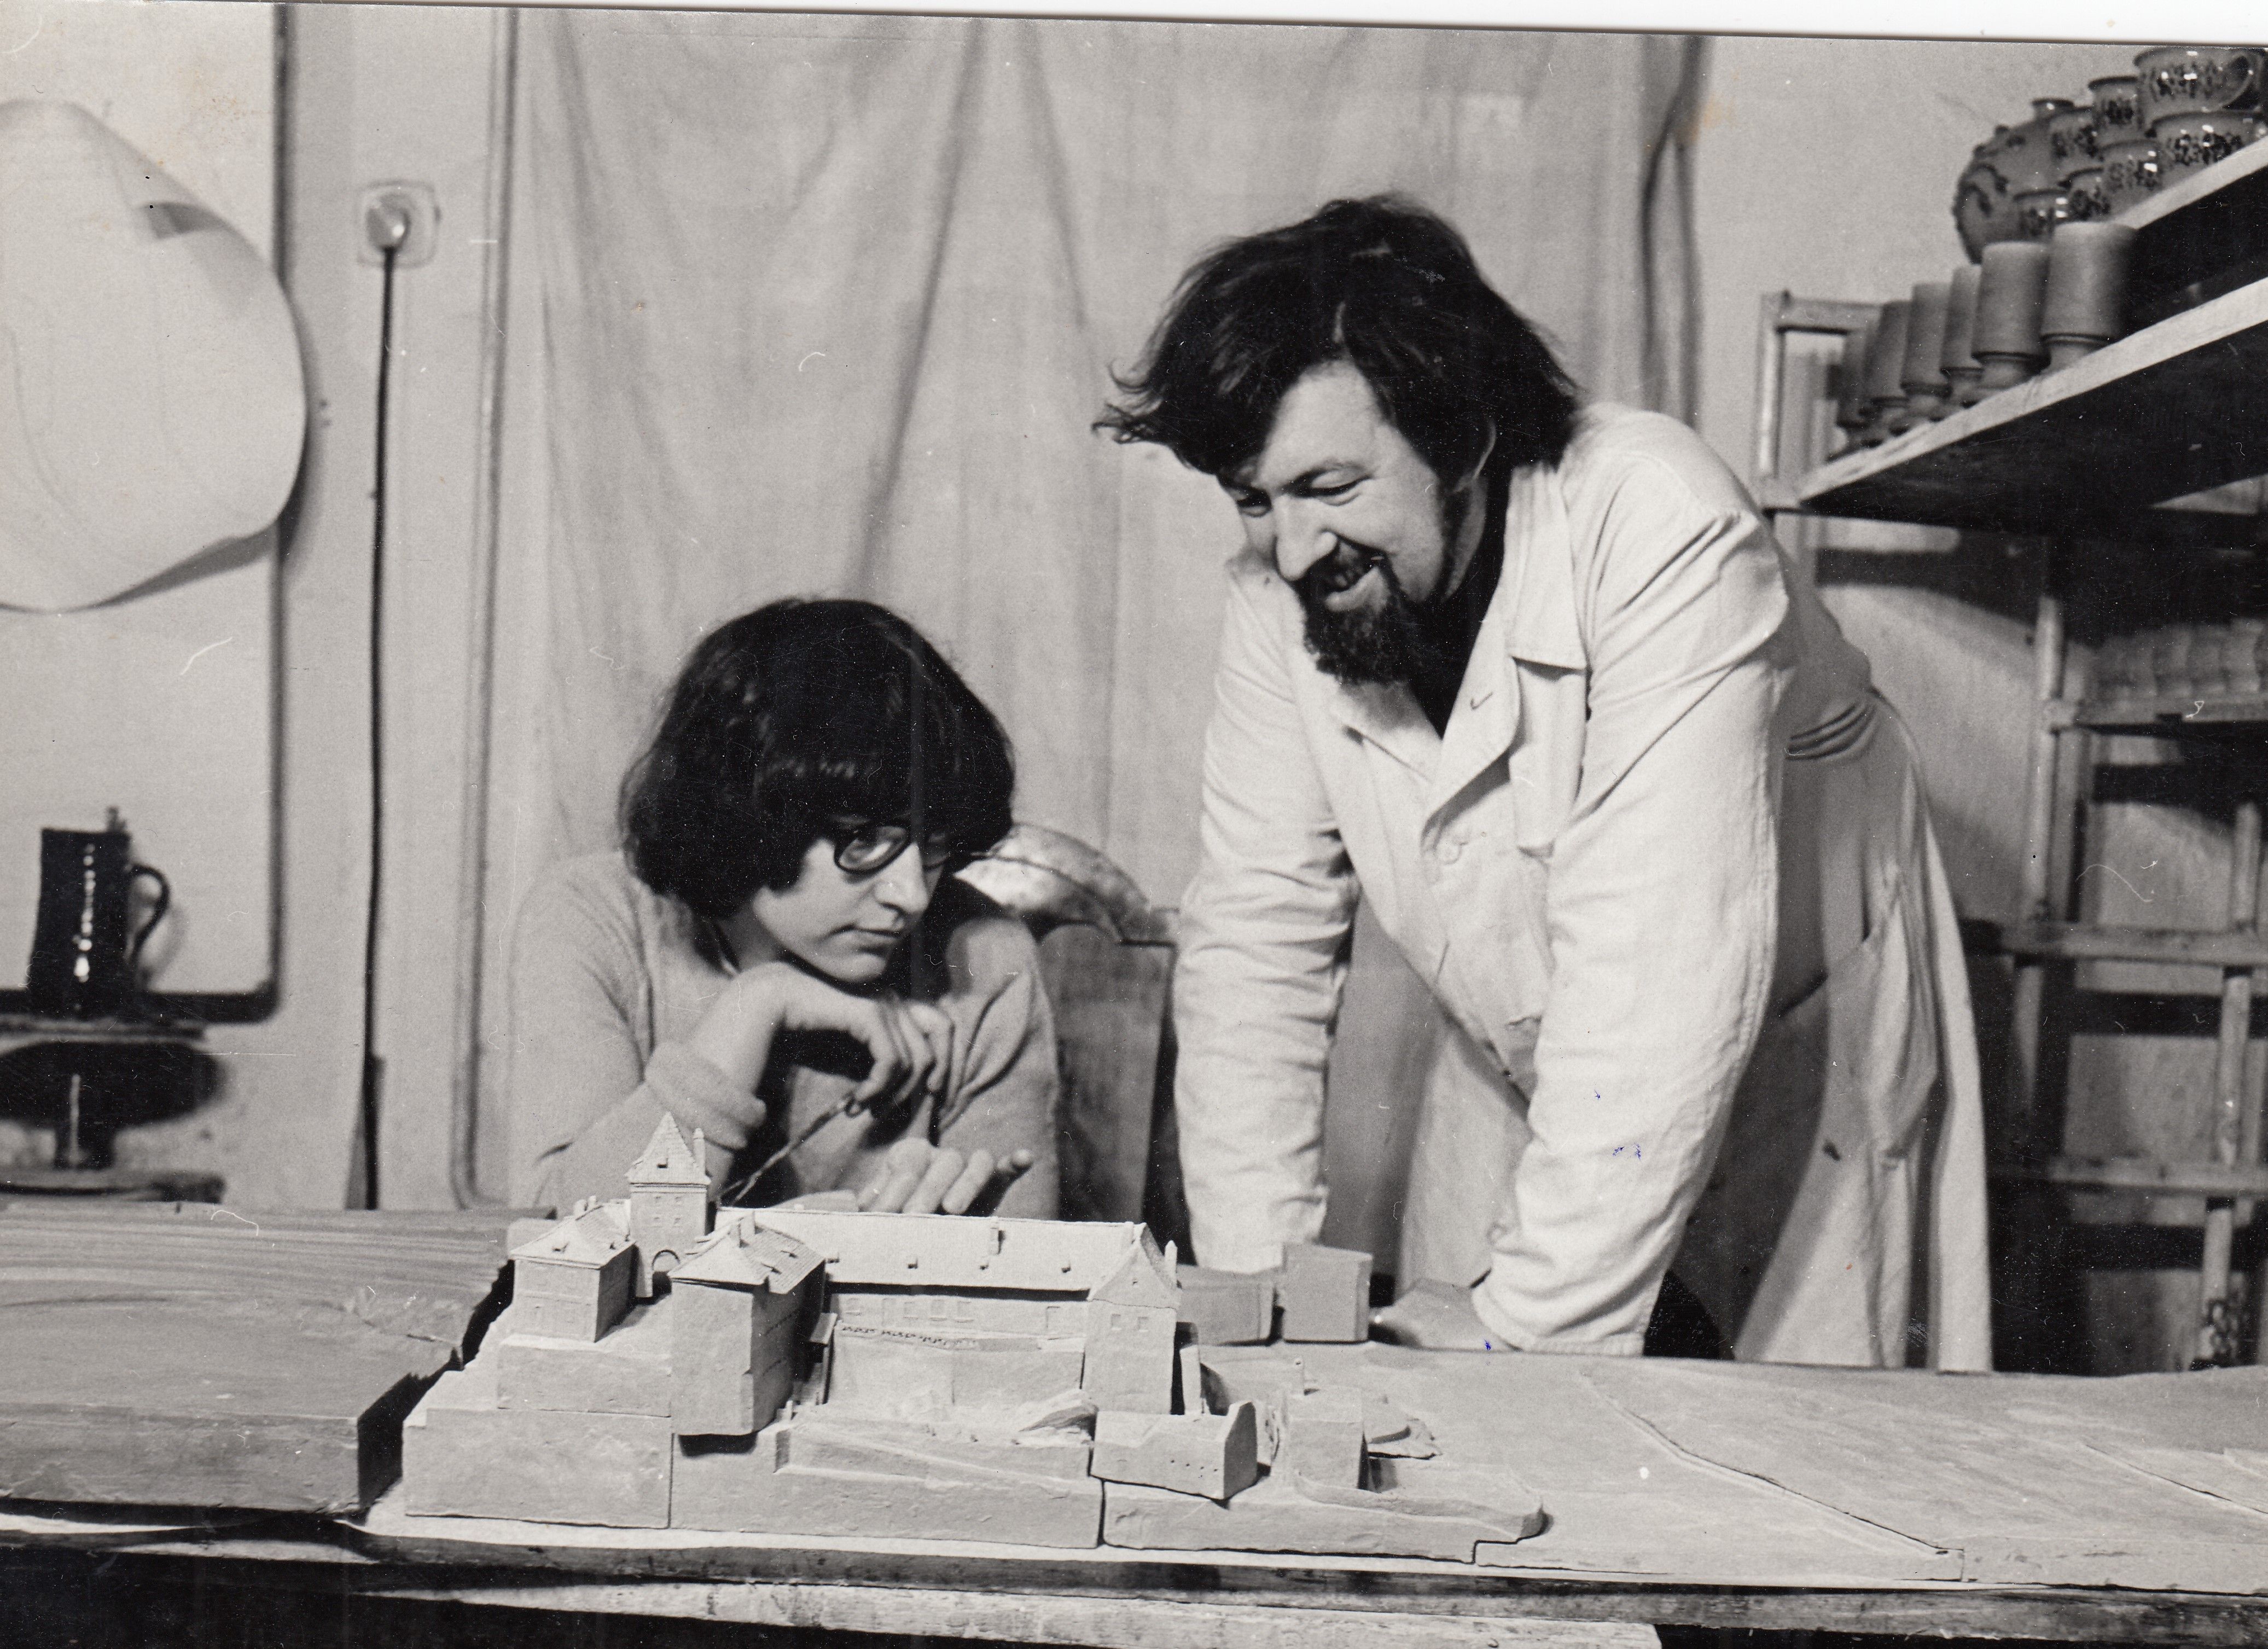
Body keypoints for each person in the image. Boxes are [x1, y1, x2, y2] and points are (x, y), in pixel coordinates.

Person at [1101, 196, 1990, 1367]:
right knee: (1459, 1428)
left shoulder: (1658, 519)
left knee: (1768, 1441)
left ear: (1461, 435)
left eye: (1331, 486)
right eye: (1255, 498)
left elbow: (1660, 958)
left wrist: (1526, 1324)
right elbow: (1257, 934)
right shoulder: (1282, 590)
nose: (1295, 547)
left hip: (1788, 1041)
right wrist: (1256, 1297)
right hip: (1527, 1045)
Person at [507, 597, 1057, 1220]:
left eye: (932, 847)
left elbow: (1028, 1252)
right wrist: (759, 1002)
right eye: (864, 840)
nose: (912, 895)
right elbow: (557, 1234)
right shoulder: (593, 917)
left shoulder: (986, 954)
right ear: (749, 814)